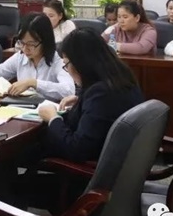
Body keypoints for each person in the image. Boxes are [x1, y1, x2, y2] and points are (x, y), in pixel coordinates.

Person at [39, 29, 144, 162]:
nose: (67, 70)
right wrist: (82, 100)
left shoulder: (100, 94)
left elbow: (76, 149)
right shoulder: (121, 77)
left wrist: (53, 118)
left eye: (66, 64)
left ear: (81, 63)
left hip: (91, 166)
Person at [0, 13, 74, 102]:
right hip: (21, 110)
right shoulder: (20, 57)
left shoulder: (58, 61)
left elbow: (69, 91)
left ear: (45, 41)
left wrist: (33, 83)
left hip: (47, 112)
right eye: (22, 43)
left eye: (31, 44)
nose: (25, 49)